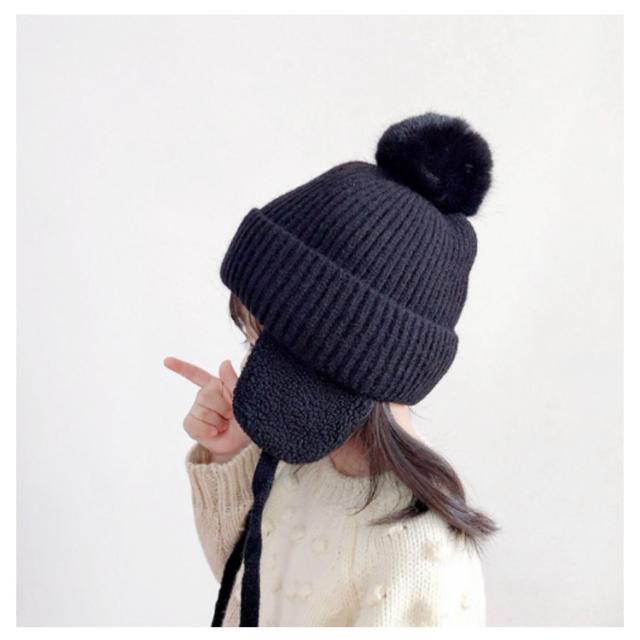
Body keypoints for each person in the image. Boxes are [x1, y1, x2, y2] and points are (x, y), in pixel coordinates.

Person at [165, 112, 499, 626]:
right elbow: (245, 598)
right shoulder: (297, 463)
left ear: (333, 353)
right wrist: (228, 455)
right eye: (250, 339)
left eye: (260, 340)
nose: (250, 361)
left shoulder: (421, 550)